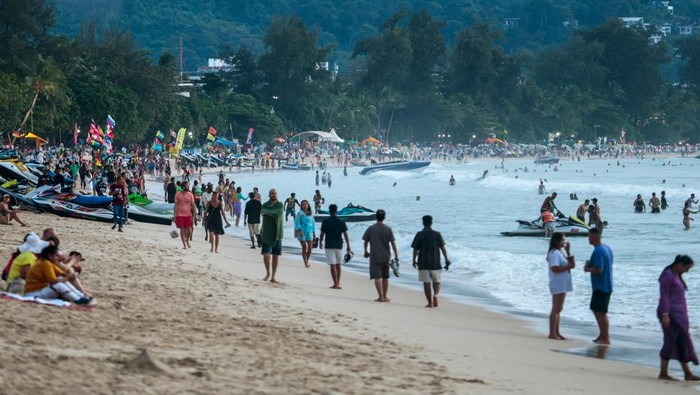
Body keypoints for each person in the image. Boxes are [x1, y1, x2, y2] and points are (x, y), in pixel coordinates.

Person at [657, 255, 700, 381]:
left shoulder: (676, 276)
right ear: (679, 264)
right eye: (687, 268)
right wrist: (665, 315)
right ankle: (663, 373)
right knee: (670, 341)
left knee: (681, 343)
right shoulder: (668, 276)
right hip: (670, 315)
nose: (687, 271)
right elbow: (664, 296)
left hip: (679, 315)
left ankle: (687, 373)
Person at [24, 245, 95, 306]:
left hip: (39, 290)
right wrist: (68, 277)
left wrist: (69, 276)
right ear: (49, 255)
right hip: (33, 293)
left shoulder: (47, 262)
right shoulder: (45, 264)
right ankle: (77, 300)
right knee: (58, 284)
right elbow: (53, 282)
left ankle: (81, 296)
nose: (58, 258)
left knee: (61, 279)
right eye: (56, 256)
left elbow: (62, 274)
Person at [411, 215, 450, 308]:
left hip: (423, 262)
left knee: (426, 283)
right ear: (432, 223)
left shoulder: (419, 234)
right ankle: (436, 294)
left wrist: (414, 260)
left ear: (423, 223)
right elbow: (442, 248)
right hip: (435, 261)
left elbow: (415, 249)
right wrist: (446, 259)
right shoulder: (437, 234)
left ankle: (430, 303)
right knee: (437, 281)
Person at [584, 227, 613, 345]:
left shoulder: (598, 251)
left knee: (600, 312)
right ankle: (602, 335)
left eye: (589, 236)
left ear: (595, 237)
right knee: (596, 309)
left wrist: (588, 269)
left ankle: (605, 337)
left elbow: (599, 269)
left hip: (601, 286)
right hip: (606, 284)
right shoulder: (607, 248)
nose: (588, 238)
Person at [362, 209, 399, 303]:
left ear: (376, 217)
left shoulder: (371, 228)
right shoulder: (388, 229)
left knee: (377, 277)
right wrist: (396, 255)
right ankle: (385, 296)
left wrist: (365, 251)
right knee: (385, 277)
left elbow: (365, 241)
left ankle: (380, 296)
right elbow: (393, 244)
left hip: (375, 256)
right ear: (384, 217)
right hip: (386, 256)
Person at [547, 232, 575, 340]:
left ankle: (556, 332)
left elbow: (570, 263)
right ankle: (552, 333)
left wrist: (568, 251)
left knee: (559, 308)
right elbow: (554, 268)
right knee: (556, 308)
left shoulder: (558, 252)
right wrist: (568, 267)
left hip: (561, 283)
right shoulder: (555, 253)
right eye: (563, 240)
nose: (564, 242)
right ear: (557, 241)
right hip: (557, 283)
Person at [319, 204, 351, 289]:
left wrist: (320, 242)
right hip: (339, 245)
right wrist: (348, 245)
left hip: (329, 245)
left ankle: (335, 283)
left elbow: (322, 233)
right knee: (338, 264)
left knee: (332, 265)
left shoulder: (325, 221)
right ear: (336, 211)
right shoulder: (341, 221)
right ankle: (338, 282)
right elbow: (345, 235)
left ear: (329, 211)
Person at [261, 189, 284, 283]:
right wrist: (269, 212)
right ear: (269, 194)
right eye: (272, 193)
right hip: (266, 232)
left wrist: (268, 212)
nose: (274, 195)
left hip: (277, 233)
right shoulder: (265, 204)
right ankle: (268, 272)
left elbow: (278, 213)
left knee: (275, 255)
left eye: (275, 193)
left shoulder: (280, 204)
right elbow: (262, 211)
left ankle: (273, 276)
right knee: (266, 254)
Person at [173, 180, 197, 249]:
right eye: (187, 185)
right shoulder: (178, 194)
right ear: (183, 186)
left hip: (188, 214)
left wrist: (196, 213)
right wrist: (174, 215)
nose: (188, 186)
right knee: (182, 230)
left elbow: (193, 204)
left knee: (189, 229)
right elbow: (176, 205)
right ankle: (184, 244)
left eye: (189, 185)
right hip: (180, 214)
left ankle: (187, 240)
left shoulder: (190, 194)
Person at [294, 200, 315, 268]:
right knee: (304, 248)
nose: (304, 205)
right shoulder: (300, 213)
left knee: (310, 249)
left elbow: (313, 223)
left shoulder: (310, 213)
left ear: (308, 205)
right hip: (302, 232)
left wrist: (314, 232)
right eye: (303, 204)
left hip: (310, 232)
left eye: (306, 204)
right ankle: (306, 263)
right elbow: (297, 222)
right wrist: (299, 231)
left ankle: (306, 260)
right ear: (301, 206)